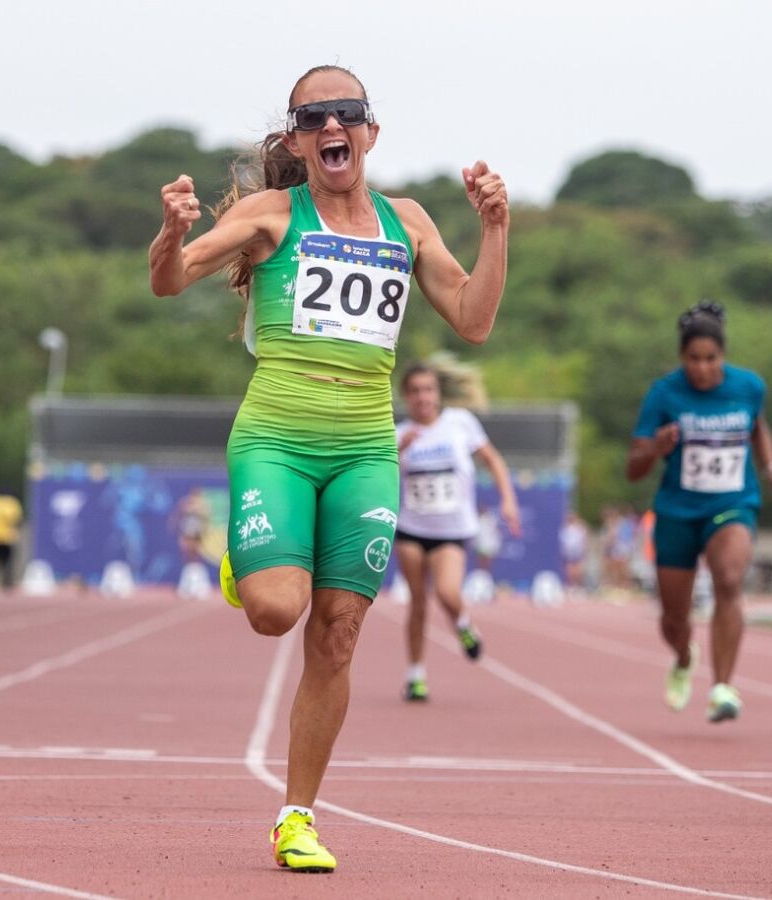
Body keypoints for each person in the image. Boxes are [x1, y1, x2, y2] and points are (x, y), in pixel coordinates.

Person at [149, 65, 508, 872]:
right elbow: (169, 280)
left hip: (365, 450)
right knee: (279, 610)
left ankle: (296, 817)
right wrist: (171, 231)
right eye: (314, 118)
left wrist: (495, 229)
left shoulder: (406, 221)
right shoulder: (270, 214)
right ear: (297, 139)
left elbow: (475, 319)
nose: (331, 127)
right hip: (276, 435)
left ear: (371, 132)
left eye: (346, 114)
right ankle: (249, 565)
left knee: (339, 634)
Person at [627, 300, 772, 723]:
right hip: (677, 512)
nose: (703, 368)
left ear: (723, 356)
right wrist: (658, 448)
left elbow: (758, 428)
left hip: (732, 503)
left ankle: (723, 688)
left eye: (711, 359)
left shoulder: (748, 386)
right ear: (681, 357)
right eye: (694, 359)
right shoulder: (664, 393)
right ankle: (684, 656)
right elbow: (634, 469)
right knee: (674, 618)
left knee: (728, 578)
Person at [394, 362, 521, 701]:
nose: (423, 397)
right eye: (416, 391)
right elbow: (378, 475)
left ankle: (463, 625)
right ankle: (415, 675)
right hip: (410, 527)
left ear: (438, 394)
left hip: (450, 530)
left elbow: (492, 459)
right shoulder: (397, 433)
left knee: (448, 593)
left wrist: (508, 500)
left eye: (428, 389)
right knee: (417, 603)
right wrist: (397, 451)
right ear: (406, 397)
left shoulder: (460, 423)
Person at [559, 509, 591, 592]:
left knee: (578, 569)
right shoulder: (565, 528)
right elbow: (563, 541)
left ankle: (578, 586)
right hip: (569, 551)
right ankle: (571, 585)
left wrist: (585, 550)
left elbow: (584, 539)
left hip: (577, 550)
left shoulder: (580, 527)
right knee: (569, 569)